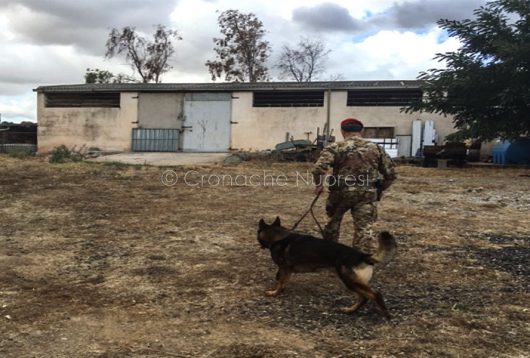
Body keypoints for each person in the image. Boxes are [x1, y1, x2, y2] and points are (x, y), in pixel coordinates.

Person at [312, 118, 396, 249]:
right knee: (364, 230)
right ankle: (360, 262)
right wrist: (379, 189)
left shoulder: (335, 147)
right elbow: (390, 175)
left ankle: (329, 256)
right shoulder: (376, 148)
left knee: (332, 225)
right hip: (366, 194)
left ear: (342, 131)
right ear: (361, 131)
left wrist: (319, 185)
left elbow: (318, 169)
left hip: (339, 193)